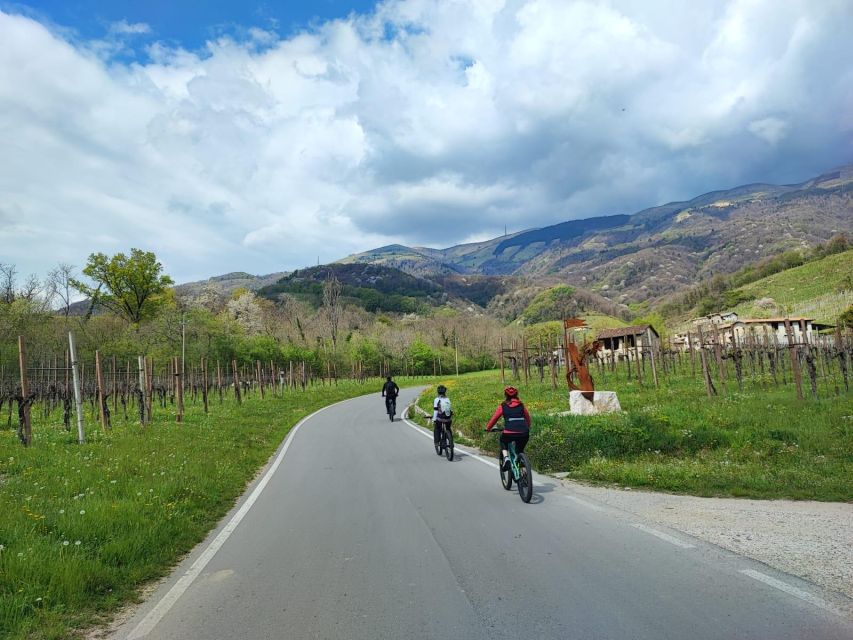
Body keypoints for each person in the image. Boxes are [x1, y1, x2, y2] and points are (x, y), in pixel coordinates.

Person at [485, 386, 531, 470]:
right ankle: (522, 463)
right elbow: (528, 418)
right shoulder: (521, 405)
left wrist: (488, 428)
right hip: (524, 432)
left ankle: (506, 458)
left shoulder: (503, 406)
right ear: (517, 394)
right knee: (519, 450)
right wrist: (527, 427)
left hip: (509, 432)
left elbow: (494, 418)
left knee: (503, 440)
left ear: (505, 395)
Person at [432, 385, 452, 450]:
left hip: (440, 419)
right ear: (445, 392)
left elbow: (435, 411)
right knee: (448, 428)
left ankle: (437, 442)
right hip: (448, 419)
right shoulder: (448, 399)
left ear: (438, 392)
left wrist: (434, 419)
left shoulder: (436, 399)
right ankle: (451, 441)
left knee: (437, 429)